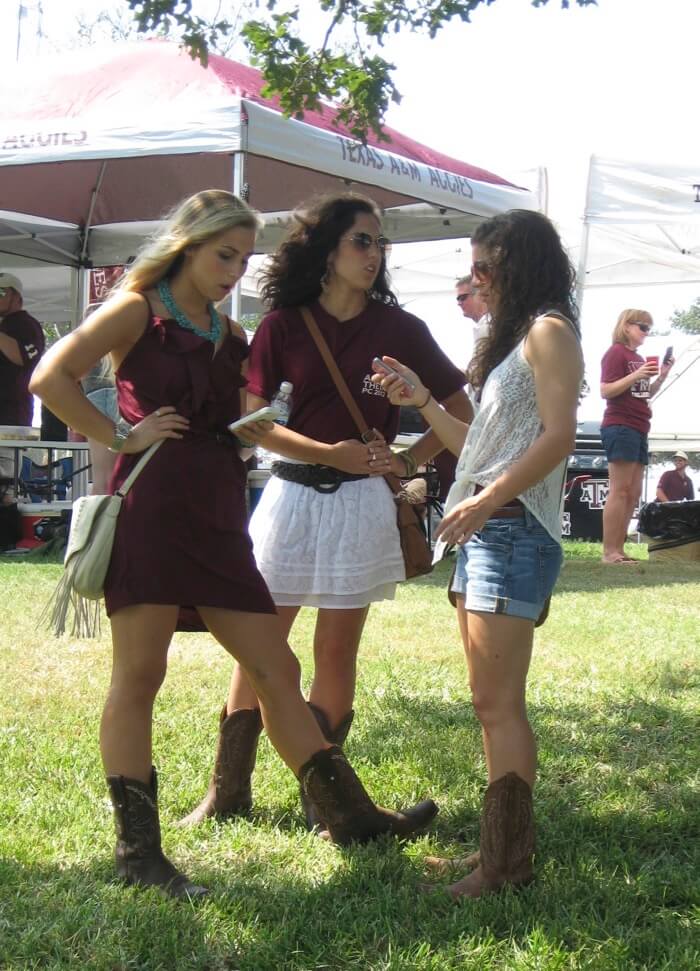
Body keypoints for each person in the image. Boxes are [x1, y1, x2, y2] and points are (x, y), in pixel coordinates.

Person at [29, 189, 438, 899]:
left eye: (243, 260)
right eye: (224, 254)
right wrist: (121, 435)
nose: (233, 271)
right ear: (188, 243)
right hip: (154, 509)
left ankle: (352, 818)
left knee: (275, 667)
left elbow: (247, 420)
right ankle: (140, 855)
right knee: (140, 676)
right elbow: (48, 377)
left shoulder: (231, 332)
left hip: (220, 515)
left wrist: (328, 447)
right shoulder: (138, 309)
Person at [181, 192, 470, 833]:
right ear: (327, 249)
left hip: (364, 506)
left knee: (337, 651)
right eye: (362, 241)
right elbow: (250, 422)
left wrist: (406, 459)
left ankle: (328, 803)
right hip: (288, 498)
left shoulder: (400, 329)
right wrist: (328, 454)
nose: (374, 254)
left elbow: (461, 409)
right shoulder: (284, 324)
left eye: (380, 244)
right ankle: (228, 790)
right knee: (260, 647)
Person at [373, 209, 584, 899]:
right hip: (489, 527)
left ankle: (506, 866)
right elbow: (479, 448)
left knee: (499, 704)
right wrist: (423, 399)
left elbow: (559, 439)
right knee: (487, 700)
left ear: (517, 264)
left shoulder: (549, 331)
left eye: (485, 266)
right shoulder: (519, 339)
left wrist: (489, 499)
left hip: (512, 528)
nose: (477, 280)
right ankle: (499, 852)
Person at [600, 310, 673, 564]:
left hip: (639, 426)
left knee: (632, 493)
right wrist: (637, 374)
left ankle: (618, 550)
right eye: (642, 327)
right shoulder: (616, 353)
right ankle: (609, 552)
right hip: (620, 425)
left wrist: (661, 375)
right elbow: (606, 390)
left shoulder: (637, 358)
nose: (646, 332)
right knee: (619, 490)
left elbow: (644, 394)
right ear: (626, 325)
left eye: (648, 328)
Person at [0, 273, 45, 503]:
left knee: (5, 486)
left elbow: (23, 357)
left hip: (11, 418)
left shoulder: (27, 325)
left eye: (1, 292)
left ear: (16, 296)